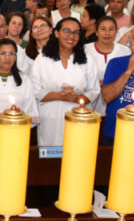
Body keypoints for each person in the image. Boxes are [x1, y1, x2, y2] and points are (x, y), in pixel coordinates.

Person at [30, 17, 99, 146]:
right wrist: (60, 95)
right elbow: (34, 89)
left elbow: (94, 90)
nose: (71, 36)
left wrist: (76, 98)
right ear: (56, 33)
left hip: (79, 117)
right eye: (66, 31)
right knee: (51, 160)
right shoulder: (43, 58)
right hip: (50, 119)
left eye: (76, 32)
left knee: (76, 156)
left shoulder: (87, 59)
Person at [0, 38, 38, 147]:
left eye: (11, 54)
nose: (7, 57)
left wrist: (12, 134)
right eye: (3, 53)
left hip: (16, 139)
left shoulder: (24, 80)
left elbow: (29, 113)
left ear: (16, 57)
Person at [84, 16, 131, 115]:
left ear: (116, 31)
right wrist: (95, 83)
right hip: (89, 106)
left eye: (111, 29)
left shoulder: (125, 51)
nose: (107, 33)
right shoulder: (85, 50)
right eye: (103, 29)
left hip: (117, 105)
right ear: (96, 32)